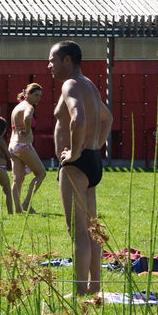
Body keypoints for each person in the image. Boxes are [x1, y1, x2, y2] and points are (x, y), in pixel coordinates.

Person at [50, 42, 113, 296]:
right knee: (91, 228)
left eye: (52, 59)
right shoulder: (89, 86)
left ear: (67, 60)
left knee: (78, 231)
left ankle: (79, 291)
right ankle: (94, 286)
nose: (49, 65)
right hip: (93, 160)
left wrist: (74, 153)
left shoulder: (71, 84)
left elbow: (78, 118)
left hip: (76, 165)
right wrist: (94, 145)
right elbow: (108, 118)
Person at [9, 83, 50, 213]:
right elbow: (27, 118)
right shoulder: (29, 107)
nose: (39, 98)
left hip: (13, 145)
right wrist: (27, 130)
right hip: (23, 145)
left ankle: (17, 210)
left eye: (40, 96)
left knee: (18, 179)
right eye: (36, 95)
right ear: (28, 94)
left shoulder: (17, 107)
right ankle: (26, 203)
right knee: (41, 173)